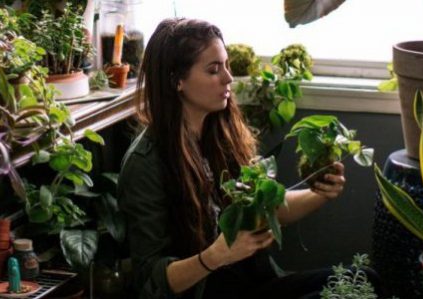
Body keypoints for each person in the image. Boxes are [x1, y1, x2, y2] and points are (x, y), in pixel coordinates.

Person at [117, 18, 366, 299]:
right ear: (177, 81)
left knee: (362, 283)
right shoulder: (144, 164)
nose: (228, 78)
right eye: (214, 70)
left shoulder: (220, 133)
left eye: (226, 65)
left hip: (256, 282)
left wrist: (319, 194)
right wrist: (215, 256)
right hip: (211, 292)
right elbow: (150, 281)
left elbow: (267, 210)